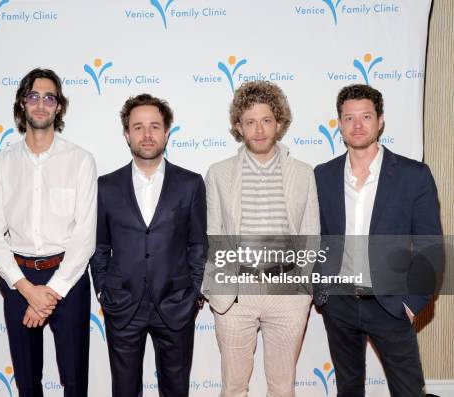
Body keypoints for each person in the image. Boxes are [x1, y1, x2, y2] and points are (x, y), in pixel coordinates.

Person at [313, 84, 442, 396]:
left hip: (390, 304)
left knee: (408, 390)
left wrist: (411, 304)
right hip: (339, 304)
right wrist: (321, 291)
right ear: (339, 124)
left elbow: (431, 246)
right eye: (349, 118)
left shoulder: (414, 175)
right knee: (348, 388)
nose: (357, 125)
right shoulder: (323, 175)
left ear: (380, 120)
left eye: (366, 116)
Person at [0, 68, 97, 397]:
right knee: (27, 381)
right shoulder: (1, 164)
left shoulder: (80, 161)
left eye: (50, 98)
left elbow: (85, 236)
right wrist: (27, 289)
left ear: (59, 106)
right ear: (22, 103)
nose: (42, 104)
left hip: (69, 281)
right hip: (18, 281)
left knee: (75, 380)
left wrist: (51, 291)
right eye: (34, 96)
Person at [202, 81, 319, 397]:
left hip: (288, 295)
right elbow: (213, 236)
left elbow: (312, 235)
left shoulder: (304, 173)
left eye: (266, 120)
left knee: (283, 388)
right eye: (249, 122)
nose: (258, 129)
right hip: (235, 295)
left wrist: (303, 288)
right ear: (238, 127)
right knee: (234, 387)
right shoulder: (218, 173)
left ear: (279, 123)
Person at [89, 94, 207, 397]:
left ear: (167, 132)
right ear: (127, 134)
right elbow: (99, 246)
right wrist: (103, 288)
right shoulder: (106, 186)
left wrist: (194, 292)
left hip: (176, 303)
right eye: (138, 127)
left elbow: (197, 244)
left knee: (176, 389)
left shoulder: (190, 184)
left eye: (155, 126)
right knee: (125, 390)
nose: (147, 134)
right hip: (123, 304)